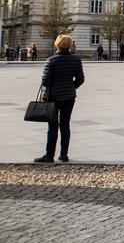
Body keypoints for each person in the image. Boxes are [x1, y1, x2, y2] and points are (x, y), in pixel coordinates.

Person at [34, 35, 85, 163]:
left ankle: (49, 155)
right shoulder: (76, 60)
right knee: (65, 125)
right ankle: (64, 155)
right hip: (69, 97)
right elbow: (80, 79)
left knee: (52, 126)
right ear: (70, 45)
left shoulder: (51, 60)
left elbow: (45, 81)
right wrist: (70, 87)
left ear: (57, 44)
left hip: (53, 97)